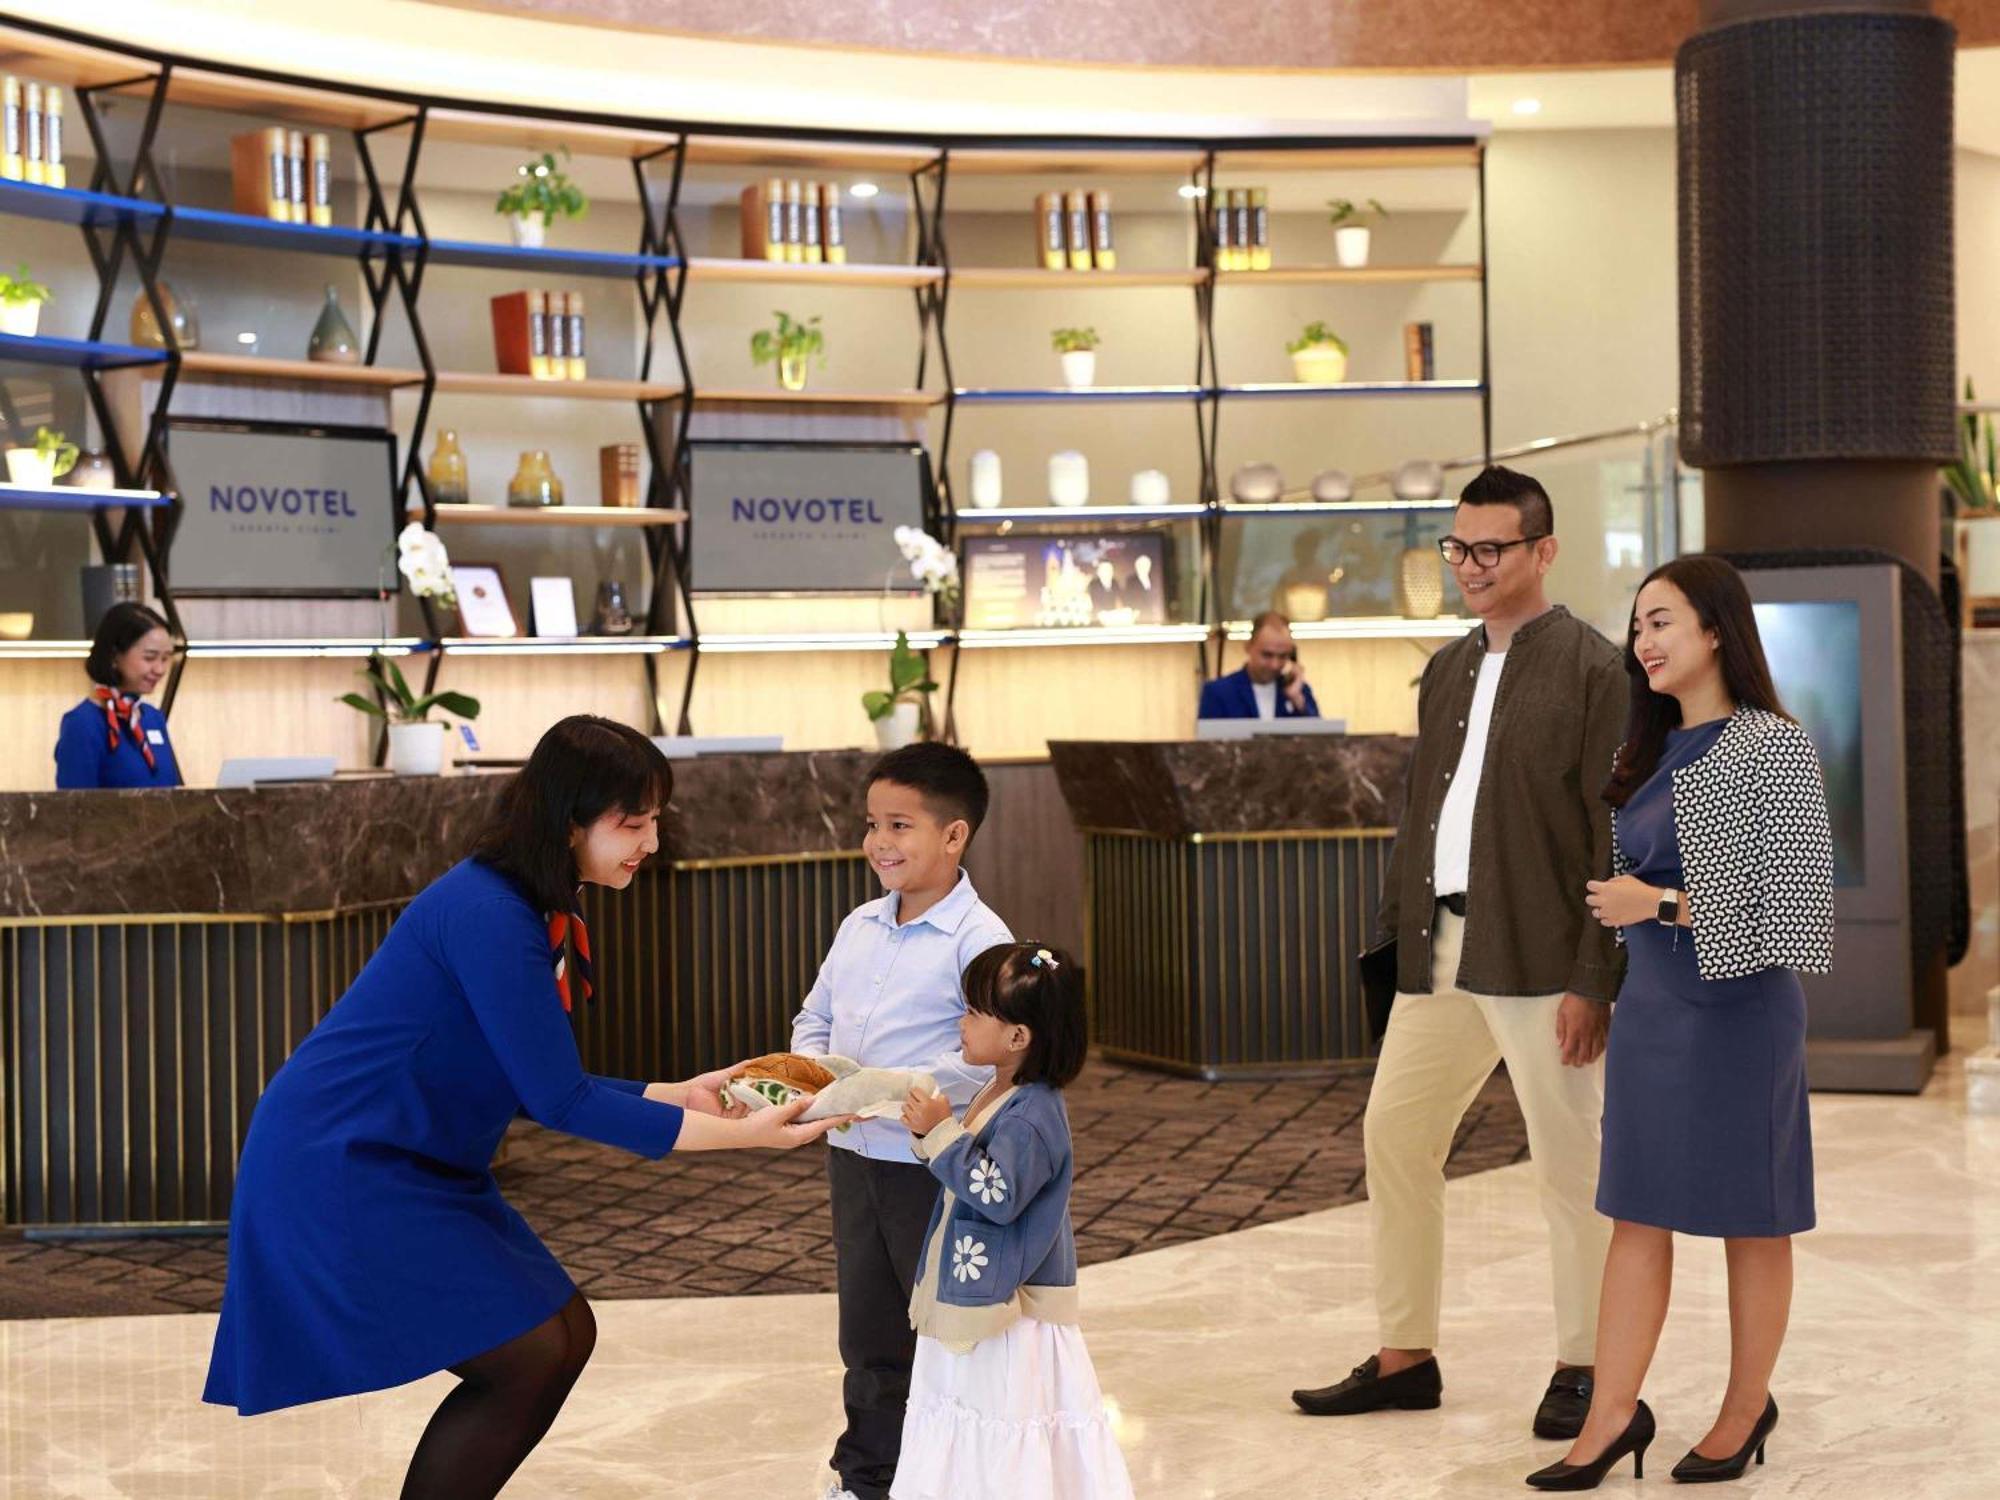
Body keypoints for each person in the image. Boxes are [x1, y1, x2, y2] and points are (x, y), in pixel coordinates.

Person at [203, 716, 841, 1500]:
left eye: (655, 821)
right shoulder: (492, 913)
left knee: (561, 1334)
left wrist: (677, 1095)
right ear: (570, 822)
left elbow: (537, 1078)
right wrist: (741, 1139)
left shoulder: (519, 899)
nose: (651, 842)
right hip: (347, 1162)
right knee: (531, 1351)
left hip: (410, 1155)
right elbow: (558, 1098)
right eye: (632, 823)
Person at [1291, 464, 1628, 1440]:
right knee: (1395, 1136)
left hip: (1543, 950)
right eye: (1457, 548)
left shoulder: (1596, 671)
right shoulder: (1444, 668)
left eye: (1490, 548)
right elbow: (1421, 819)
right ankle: (1406, 1355)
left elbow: (1610, 837)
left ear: (1542, 551)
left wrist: (1594, 976)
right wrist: (1393, 934)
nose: (1470, 566)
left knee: (1570, 1163)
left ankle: (1585, 1364)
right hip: (1440, 943)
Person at [1527, 556, 1831, 1491]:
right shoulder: (1650, 751)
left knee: (1753, 1220)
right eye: (1637, 626)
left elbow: (1800, 915)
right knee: (1636, 1212)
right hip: (1656, 1015)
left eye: (1661, 621)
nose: (1643, 642)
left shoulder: (1771, 744)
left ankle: (1745, 1410)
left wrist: (1658, 904)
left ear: (1715, 630)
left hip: (1741, 1018)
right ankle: (1613, 1418)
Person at [792, 742, 1015, 1500]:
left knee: (940, 1331)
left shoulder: (980, 939)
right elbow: (814, 1016)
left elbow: (987, 1059)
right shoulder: (860, 924)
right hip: (853, 1156)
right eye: (871, 824)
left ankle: (943, 1477)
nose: (879, 842)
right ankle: (867, 1480)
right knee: (868, 1333)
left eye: (899, 825)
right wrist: (813, 1074)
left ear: (954, 836)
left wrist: (886, 1092)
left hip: (926, 1167)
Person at [893, 942, 1132, 1500]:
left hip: (1009, 1308)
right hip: (982, 1289)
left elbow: (997, 1193)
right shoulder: (1000, 1087)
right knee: (966, 1407)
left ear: (1018, 1036)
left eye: (975, 1012)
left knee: (1003, 1410)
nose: (962, 1022)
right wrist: (931, 1134)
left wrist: (941, 1133)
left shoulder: (1032, 1114)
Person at [55, 601, 182, 788]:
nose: (160, 669)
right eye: (150, 657)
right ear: (114, 655)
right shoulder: (83, 723)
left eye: (165, 658)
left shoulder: (153, 718)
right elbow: (75, 803)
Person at [1197, 610, 1319, 720]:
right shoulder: (1218, 692)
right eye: (1267, 655)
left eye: (1283, 656)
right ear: (1248, 647)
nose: (1274, 665)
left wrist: (1297, 699)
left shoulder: (1299, 692)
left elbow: (1319, 734)